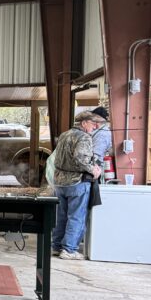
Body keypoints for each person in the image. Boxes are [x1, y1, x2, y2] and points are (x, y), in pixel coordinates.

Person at [50, 111, 104, 259]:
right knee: (76, 217)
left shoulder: (64, 135)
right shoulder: (84, 137)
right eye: (93, 123)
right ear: (84, 123)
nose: (95, 126)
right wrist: (93, 170)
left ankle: (57, 246)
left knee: (61, 216)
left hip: (60, 182)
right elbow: (80, 159)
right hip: (76, 182)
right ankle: (69, 250)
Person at [90, 106, 112, 179]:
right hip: (95, 168)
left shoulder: (102, 134)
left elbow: (95, 156)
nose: (91, 119)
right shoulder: (99, 131)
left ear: (98, 118)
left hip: (96, 170)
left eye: (93, 117)